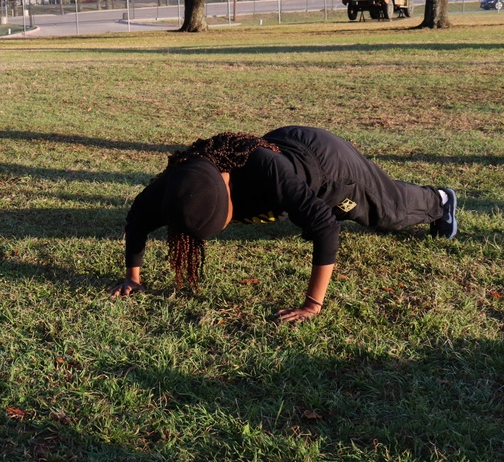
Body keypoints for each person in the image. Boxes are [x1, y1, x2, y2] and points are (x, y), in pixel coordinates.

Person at [109, 126, 457, 323]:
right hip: (290, 149)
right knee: (307, 209)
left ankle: (440, 201)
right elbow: (138, 219)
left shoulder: (267, 173)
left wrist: (311, 306)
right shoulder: (178, 181)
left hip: (331, 168)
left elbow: (324, 228)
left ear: (229, 189)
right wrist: (133, 277)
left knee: (387, 213)